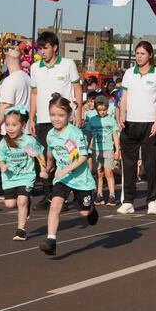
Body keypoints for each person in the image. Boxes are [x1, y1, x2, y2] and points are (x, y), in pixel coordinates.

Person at [40, 94, 99, 256]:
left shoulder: (75, 133)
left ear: (68, 115)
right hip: (62, 178)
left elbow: (83, 157)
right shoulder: (50, 134)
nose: (56, 119)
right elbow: (51, 154)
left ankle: (91, 208)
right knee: (55, 206)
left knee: (84, 213)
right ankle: (51, 240)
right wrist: (48, 168)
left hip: (80, 179)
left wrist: (66, 169)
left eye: (61, 115)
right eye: (53, 115)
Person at [29, 31, 83, 208]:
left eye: (45, 48)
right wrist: (31, 118)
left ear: (54, 47)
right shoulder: (35, 67)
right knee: (45, 158)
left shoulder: (68, 64)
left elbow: (77, 89)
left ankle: (77, 193)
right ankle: (48, 195)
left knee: (69, 156)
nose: (42, 52)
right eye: (40, 49)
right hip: (44, 120)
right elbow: (34, 93)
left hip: (65, 120)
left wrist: (79, 113)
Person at [116, 41, 156, 215]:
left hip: (149, 123)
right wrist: (122, 114)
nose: (139, 56)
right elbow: (124, 97)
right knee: (128, 164)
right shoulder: (129, 73)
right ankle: (128, 201)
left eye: (142, 53)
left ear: (150, 55)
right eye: (137, 53)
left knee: (150, 164)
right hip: (130, 123)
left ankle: (152, 200)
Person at [0, 106, 45, 241]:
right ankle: (27, 202)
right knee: (10, 204)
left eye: (14, 125)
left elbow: (39, 155)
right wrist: (2, 166)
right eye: (7, 125)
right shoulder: (4, 142)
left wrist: (43, 169)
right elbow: (0, 159)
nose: (10, 128)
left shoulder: (28, 141)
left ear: (22, 126)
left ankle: (21, 230)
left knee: (21, 201)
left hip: (26, 175)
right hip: (10, 177)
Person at [86, 95, 120, 206]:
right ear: (96, 109)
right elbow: (89, 135)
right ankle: (99, 194)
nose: (102, 112)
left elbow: (115, 135)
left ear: (107, 108)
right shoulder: (92, 120)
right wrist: (86, 147)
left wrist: (117, 150)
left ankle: (112, 195)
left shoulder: (110, 120)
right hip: (96, 150)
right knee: (99, 173)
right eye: (100, 110)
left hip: (108, 149)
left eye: (104, 110)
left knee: (108, 172)